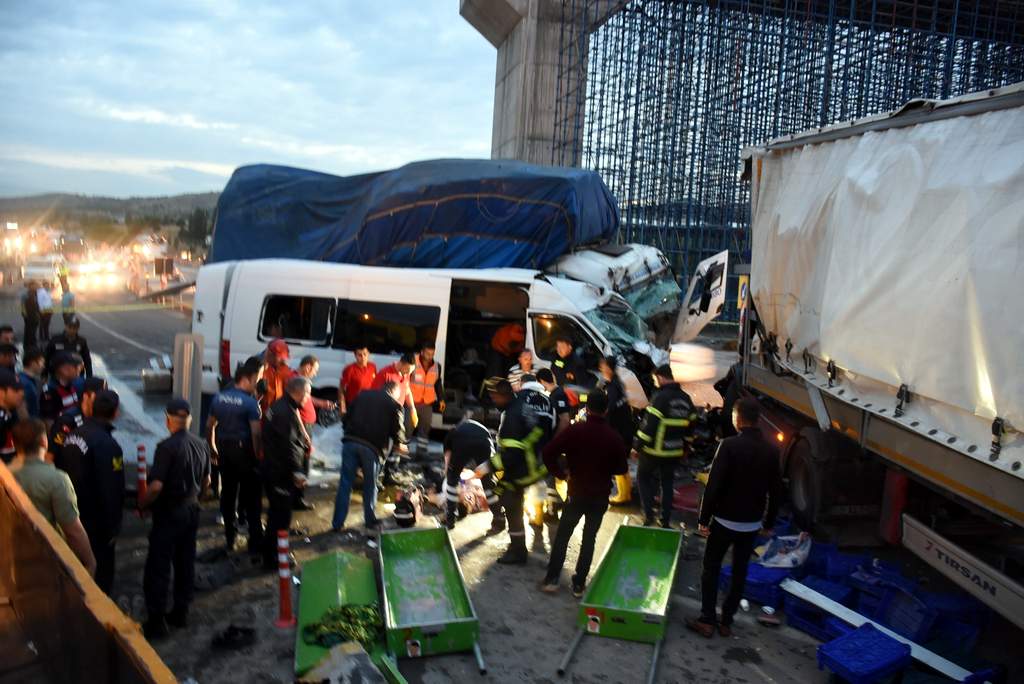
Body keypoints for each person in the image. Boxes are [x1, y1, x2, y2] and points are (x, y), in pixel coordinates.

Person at [687, 397, 784, 638]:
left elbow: (714, 485)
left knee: (711, 567)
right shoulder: (772, 451)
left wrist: (703, 518)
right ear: (758, 420)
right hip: (750, 524)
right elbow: (777, 491)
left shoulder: (729, 445)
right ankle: (726, 621)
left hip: (723, 521)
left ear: (738, 419)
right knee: (740, 572)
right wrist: (769, 523)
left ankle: (707, 619)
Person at [540, 390, 628, 596]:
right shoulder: (614, 437)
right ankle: (579, 584)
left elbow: (548, 453)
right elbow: (622, 469)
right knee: (589, 539)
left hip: (576, 494)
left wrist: (561, 474)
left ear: (586, 408)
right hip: (600, 497)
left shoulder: (575, 431)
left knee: (563, 536)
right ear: (606, 411)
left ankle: (552, 579)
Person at [141, 399, 211, 639]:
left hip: (169, 513)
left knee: (159, 566)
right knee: (185, 562)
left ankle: (157, 620)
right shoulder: (201, 444)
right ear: (189, 420)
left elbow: (156, 486)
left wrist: (143, 502)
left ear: (167, 419)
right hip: (192, 510)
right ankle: (181, 612)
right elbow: (207, 482)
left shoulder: (166, 447)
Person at [58, 389, 124, 595]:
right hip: (96, 524)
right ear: (115, 413)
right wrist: (113, 527)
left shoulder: (72, 435)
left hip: (70, 516)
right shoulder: (108, 444)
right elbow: (111, 490)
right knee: (100, 577)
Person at [12, 419, 97, 576]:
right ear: (45, 442)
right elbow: (73, 531)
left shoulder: (5, 474)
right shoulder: (57, 479)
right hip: (45, 560)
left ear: (13, 443)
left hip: (11, 553)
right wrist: (90, 561)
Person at [486, 377, 554, 564]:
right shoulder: (530, 403)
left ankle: (518, 551)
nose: (493, 402)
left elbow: (511, 455)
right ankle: (518, 546)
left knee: (511, 503)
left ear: (501, 396)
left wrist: (487, 466)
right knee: (511, 498)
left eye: (494, 398)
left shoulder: (512, 415)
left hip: (525, 468)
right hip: (538, 463)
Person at [331, 381, 407, 533]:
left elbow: (346, 418)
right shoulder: (394, 405)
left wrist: (349, 433)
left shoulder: (362, 394)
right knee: (370, 485)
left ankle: (337, 523)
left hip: (350, 442)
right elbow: (397, 431)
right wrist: (401, 444)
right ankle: (370, 520)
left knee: (345, 483)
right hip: (371, 449)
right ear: (394, 392)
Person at [207, 359, 263, 555]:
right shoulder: (250, 403)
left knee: (228, 495)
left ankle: (230, 539)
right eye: (256, 379)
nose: (258, 383)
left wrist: (212, 447)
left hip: (224, 450)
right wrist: (257, 456)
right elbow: (256, 433)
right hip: (245, 453)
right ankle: (255, 544)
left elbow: (210, 425)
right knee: (251, 498)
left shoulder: (219, 398)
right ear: (246, 379)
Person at [632, 364, 698, 528]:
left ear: (660, 377)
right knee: (667, 484)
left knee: (643, 478)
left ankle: (648, 516)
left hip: (653, 452)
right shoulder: (686, 399)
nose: (655, 383)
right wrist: (685, 448)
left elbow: (649, 427)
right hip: (673, 452)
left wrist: (637, 447)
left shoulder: (660, 398)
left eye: (655, 380)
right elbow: (691, 426)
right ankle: (665, 520)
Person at [261, 376, 311, 569]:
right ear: (297, 392)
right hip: (279, 474)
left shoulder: (283, 406)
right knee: (280, 518)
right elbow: (288, 448)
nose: (308, 397)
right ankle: (274, 558)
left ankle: (273, 552)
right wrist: (297, 474)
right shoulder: (285, 414)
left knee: (277, 515)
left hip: (275, 470)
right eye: (307, 393)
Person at [441, 418, 502, 532]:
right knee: (488, 483)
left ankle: (450, 520)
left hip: (463, 442)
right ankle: (499, 518)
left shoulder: (452, 433)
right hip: (484, 441)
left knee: (452, 480)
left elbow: (448, 458)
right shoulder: (479, 429)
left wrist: (449, 473)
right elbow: (492, 461)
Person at [295, 355, 335, 510]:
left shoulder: (302, 382)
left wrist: (321, 403)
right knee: (301, 464)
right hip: (302, 428)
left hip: (306, 426)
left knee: (304, 463)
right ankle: (296, 499)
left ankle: (298, 497)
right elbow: (295, 410)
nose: (315, 374)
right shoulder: (296, 381)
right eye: (315, 370)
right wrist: (304, 432)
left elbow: (308, 398)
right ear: (307, 367)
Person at [371, 353, 417, 479]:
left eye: (411, 371)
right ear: (401, 363)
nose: (408, 373)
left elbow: (407, 391)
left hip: (397, 414)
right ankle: (377, 476)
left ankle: (390, 474)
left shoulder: (405, 374)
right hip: (384, 414)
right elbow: (374, 395)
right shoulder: (385, 374)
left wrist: (412, 408)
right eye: (407, 369)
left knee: (396, 445)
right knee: (384, 447)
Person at [49, 377, 106, 466]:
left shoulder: (99, 417)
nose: (103, 400)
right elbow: (52, 452)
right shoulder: (67, 420)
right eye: (99, 396)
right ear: (86, 396)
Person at [410, 342, 445, 459]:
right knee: (407, 428)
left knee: (425, 429)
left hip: (427, 404)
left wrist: (441, 399)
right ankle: (402, 453)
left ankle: (421, 453)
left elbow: (438, 384)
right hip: (412, 403)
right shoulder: (413, 361)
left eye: (432, 354)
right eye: (427, 354)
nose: (430, 356)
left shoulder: (437, 366)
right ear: (422, 352)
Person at [598, 356, 636, 446]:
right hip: (624, 429)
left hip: (617, 430)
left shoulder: (613, 386)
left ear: (609, 368)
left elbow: (610, 407)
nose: (601, 369)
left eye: (603, 367)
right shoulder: (618, 383)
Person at [40, 352, 83, 426]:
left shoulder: (72, 385)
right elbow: (49, 421)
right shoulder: (50, 391)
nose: (79, 369)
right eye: (75, 366)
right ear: (63, 370)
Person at [259, 339, 296, 415]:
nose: (282, 360)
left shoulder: (288, 372)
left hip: (279, 413)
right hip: (263, 412)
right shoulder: (261, 369)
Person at [338, 346, 376, 416]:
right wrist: (342, 407)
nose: (363, 357)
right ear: (355, 356)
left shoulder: (372, 367)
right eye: (359, 355)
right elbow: (341, 389)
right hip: (354, 405)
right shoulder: (349, 369)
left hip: (369, 404)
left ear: (368, 354)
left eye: (365, 354)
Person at [0, 370, 25, 464]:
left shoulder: (12, 411)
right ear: (1, 392)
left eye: (22, 390)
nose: (21, 394)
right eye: (16, 390)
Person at [18, 349, 45, 418]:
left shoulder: (30, 381)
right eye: (41, 362)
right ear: (33, 362)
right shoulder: (25, 382)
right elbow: (21, 408)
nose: (43, 366)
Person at [21, 281, 40, 352]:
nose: (35, 287)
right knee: (28, 330)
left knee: (34, 330)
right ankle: (27, 345)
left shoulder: (37, 294)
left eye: (36, 286)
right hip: (28, 315)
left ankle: (33, 344)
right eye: (33, 286)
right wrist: (24, 314)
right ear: (29, 286)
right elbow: (22, 305)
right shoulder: (25, 295)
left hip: (35, 315)